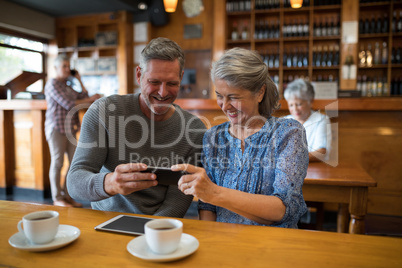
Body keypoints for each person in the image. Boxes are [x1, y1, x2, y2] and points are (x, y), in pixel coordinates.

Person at [67, 37, 206, 217]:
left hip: (158, 227)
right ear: (139, 75)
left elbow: (177, 200)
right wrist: (110, 183)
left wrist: (149, 231)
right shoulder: (105, 112)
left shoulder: (194, 130)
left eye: (171, 83)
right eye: (154, 82)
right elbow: (74, 182)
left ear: (181, 77)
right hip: (106, 219)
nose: (163, 93)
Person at [172, 48, 308, 228]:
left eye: (234, 97)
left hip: (273, 245)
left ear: (260, 92)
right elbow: (207, 206)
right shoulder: (214, 137)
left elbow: (283, 209)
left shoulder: (288, 133)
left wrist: (214, 193)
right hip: (225, 243)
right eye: (220, 96)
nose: (225, 106)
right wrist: (211, 240)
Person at [45, 54, 101, 207]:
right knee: (57, 162)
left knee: (73, 162)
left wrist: (79, 79)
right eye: (64, 66)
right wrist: (88, 99)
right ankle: (57, 198)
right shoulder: (52, 84)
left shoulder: (67, 85)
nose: (67, 69)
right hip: (56, 128)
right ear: (56, 68)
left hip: (70, 128)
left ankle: (67, 196)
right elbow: (68, 104)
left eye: (68, 66)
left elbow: (83, 96)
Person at [284, 79, 332, 162]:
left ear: (311, 101)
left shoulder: (321, 120)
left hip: (315, 170)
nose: (294, 109)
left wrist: (293, 159)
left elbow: (321, 153)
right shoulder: (284, 121)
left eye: (299, 104)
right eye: (291, 105)